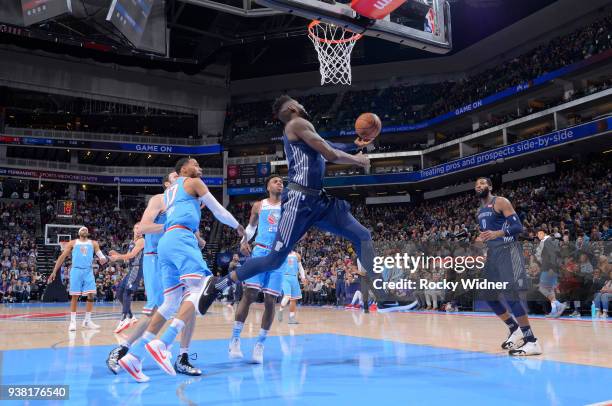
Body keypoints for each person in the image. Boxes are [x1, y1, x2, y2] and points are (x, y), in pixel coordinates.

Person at [198, 95, 378, 315]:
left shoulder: (302, 128)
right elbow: (329, 153)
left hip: (318, 201)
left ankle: (384, 293)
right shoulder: (297, 123)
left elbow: (328, 145)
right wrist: (358, 160)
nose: (303, 105)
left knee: (362, 235)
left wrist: (353, 145)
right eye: (299, 103)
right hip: (299, 202)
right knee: (273, 261)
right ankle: (219, 285)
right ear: (293, 107)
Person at [118, 158, 244, 383]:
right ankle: (164, 342)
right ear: (183, 169)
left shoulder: (168, 194)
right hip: (181, 237)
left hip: (164, 243)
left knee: (169, 303)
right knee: (203, 286)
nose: (200, 168)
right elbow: (218, 210)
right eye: (196, 164)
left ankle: (134, 357)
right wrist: (238, 227)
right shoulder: (192, 182)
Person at [107, 173, 206, 377]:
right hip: (156, 257)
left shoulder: (183, 203)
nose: (181, 180)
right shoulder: (159, 199)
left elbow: (190, 229)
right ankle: (123, 349)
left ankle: (183, 357)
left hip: (178, 256)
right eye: (175, 177)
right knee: (154, 308)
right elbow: (143, 227)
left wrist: (198, 238)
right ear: (167, 184)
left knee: (190, 304)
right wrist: (168, 226)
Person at [475, 177, 542, 356]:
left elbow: (517, 227)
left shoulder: (501, 202)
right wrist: (481, 241)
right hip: (493, 255)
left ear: (489, 186)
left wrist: (497, 233)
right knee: (488, 295)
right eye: (476, 185)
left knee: (511, 296)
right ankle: (514, 328)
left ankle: (531, 341)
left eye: (482, 183)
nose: (479, 186)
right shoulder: (480, 212)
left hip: (509, 251)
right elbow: (486, 236)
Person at [230, 176, 286, 363]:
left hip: (279, 254)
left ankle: (260, 345)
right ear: (268, 186)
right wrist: (244, 241)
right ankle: (235, 339)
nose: (280, 183)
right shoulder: (259, 205)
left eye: (281, 181)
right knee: (249, 294)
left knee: (271, 300)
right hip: (260, 250)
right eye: (276, 181)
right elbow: (251, 227)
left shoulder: (289, 206)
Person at [48, 226, 108, 331]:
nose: (84, 230)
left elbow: (100, 254)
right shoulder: (73, 243)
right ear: (79, 233)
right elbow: (62, 257)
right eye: (82, 229)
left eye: (86, 229)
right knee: (75, 296)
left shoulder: (93, 243)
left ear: (88, 233)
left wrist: (103, 258)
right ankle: (73, 322)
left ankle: (87, 321)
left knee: (91, 294)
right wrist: (54, 271)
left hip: (88, 271)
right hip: (76, 270)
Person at [110, 222, 144, 333]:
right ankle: (131, 316)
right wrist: (117, 253)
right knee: (119, 291)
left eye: (140, 228)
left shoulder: (142, 241)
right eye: (136, 228)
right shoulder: (131, 242)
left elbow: (132, 255)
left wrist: (117, 256)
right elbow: (127, 258)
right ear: (133, 229)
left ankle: (124, 319)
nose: (138, 230)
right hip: (131, 269)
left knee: (127, 292)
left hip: (137, 268)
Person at [534, 227, 567, 317]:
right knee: (550, 289)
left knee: (542, 288)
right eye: (538, 234)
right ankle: (554, 311)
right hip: (551, 268)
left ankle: (559, 305)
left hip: (549, 268)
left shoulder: (547, 241)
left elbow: (552, 255)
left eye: (540, 233)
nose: (538, 235)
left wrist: (551, 268)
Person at [278, 251, 305, 324]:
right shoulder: (283, 253)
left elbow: (300, 267)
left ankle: (291, 318)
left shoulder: (297, 255)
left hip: (294, 278)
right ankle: (280, 310)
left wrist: (303, 277)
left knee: (293, 299)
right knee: (287, 296)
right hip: (285, 277)